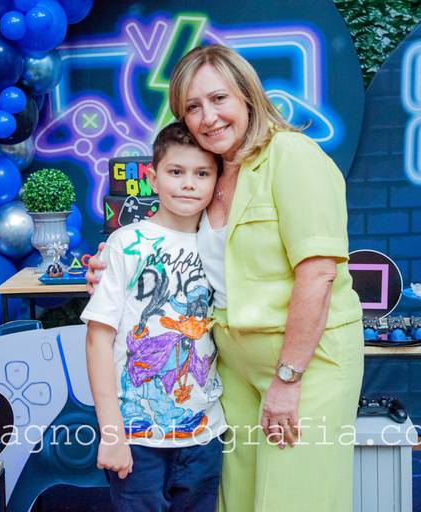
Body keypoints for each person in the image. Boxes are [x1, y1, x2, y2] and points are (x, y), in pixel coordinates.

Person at [88, 44, 364, 512]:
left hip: (304, 364)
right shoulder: (213, 171)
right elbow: (170, 247)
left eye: (219, 99)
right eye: (193, 106)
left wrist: (288, 379)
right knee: (234, 499)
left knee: (292, 500)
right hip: (232, 369)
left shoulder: (292, 155)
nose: (208, 117)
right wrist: (108, 262)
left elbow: (318, 273)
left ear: (247, 96)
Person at [81, 122, 226, 512]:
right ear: (152, 177)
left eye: (202, 173)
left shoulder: (219, 244)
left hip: (204, 434)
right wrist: (112, 431)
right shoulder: (126, 243)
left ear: (217, 181)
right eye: (176, 171)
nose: (188, 184)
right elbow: (98, 340)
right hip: (136, 436)